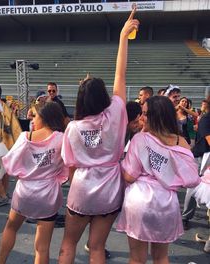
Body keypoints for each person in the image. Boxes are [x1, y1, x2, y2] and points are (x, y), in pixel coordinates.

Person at [58, 7, 139, 264]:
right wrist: (122, 37)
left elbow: (70, 166)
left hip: (82, 189)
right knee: (96, 248)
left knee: (68, 244)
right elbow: (120, 74)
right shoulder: (116, 112)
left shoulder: (72, 128)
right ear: (104, 97)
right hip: (109, 189)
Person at [116, 96, 200, 264]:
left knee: (136, 258)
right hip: (167, 204)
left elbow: (130, 176)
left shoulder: (140, 139)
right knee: (161, 257)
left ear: (157, 116)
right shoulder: (181, 141)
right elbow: (191, 178)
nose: (141, 118)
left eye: (145, 114)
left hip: (139, 201)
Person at [0, 102, 68, 264]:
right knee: (42, 247)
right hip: (48, 194)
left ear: (44, 117)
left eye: (35, 116)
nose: (33, 120)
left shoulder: (25, 137)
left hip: (25, 192)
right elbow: (68, 165)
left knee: (11, 228)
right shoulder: (61, 139)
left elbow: (9, 163)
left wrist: (25, 172)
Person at [182, 98, 210, 229]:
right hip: (201, 157)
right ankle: (185, 217)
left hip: (205, 156)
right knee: (193, 187)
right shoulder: (206, 118)